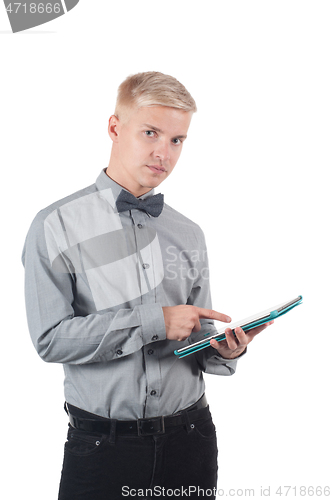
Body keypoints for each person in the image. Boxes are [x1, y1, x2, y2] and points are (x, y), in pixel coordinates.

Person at [22, 71, 273, 500]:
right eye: (151, 132)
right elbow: (50, 340)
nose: (164, 152)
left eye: (177, 140)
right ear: (115, 128)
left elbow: (196, 339)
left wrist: (225, 350)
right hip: (103, 449)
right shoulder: (55, 225)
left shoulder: (189, 233)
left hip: (191, 440)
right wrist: (154, 321)